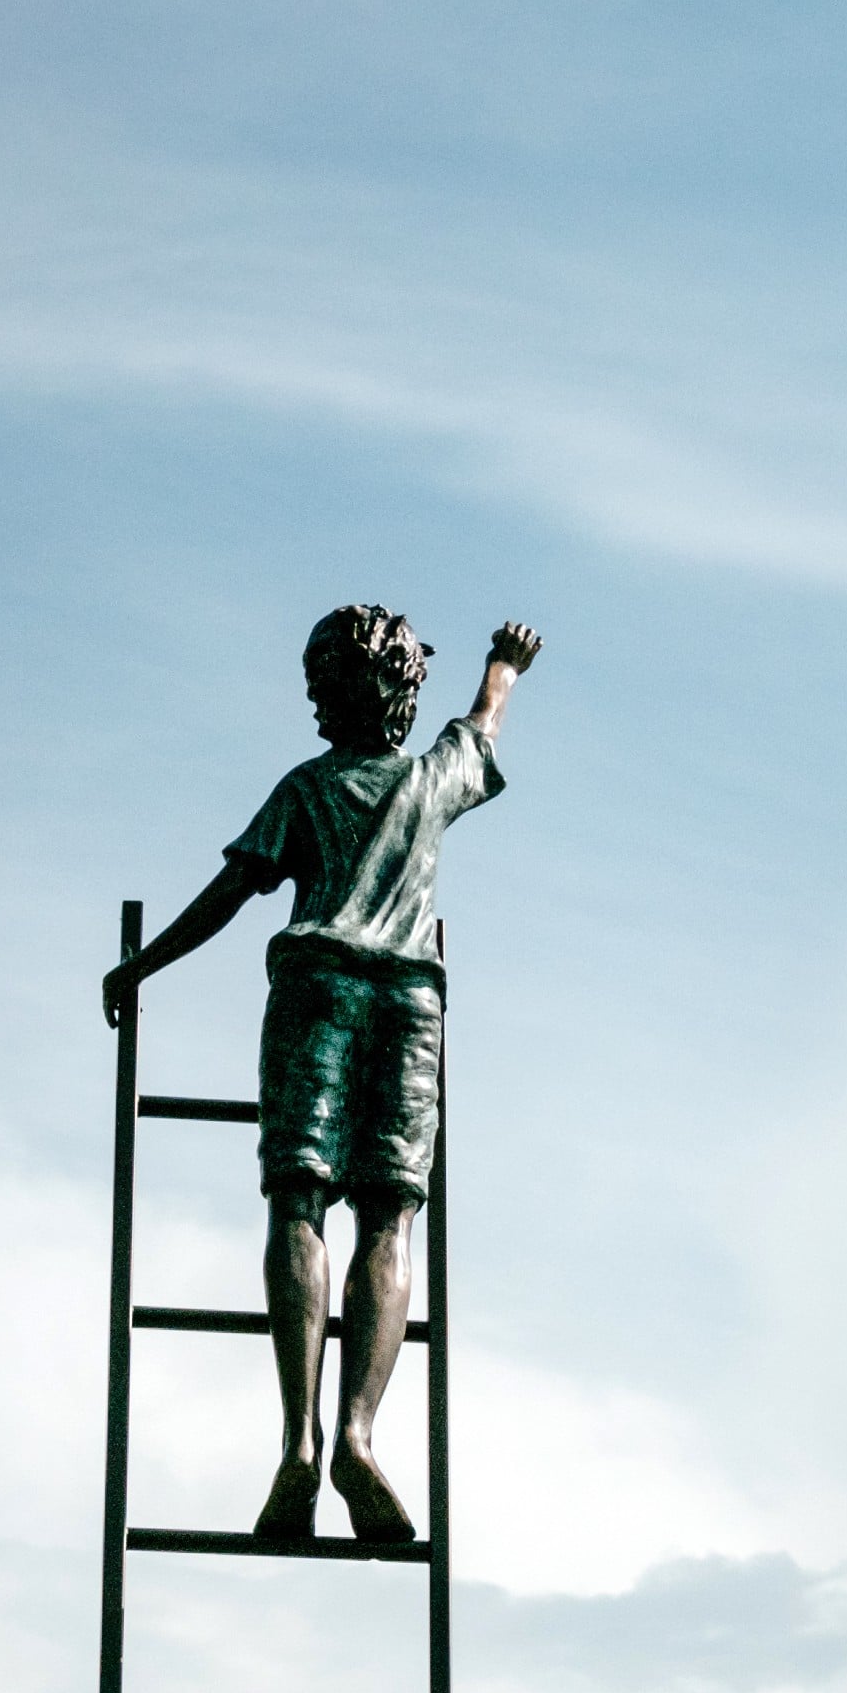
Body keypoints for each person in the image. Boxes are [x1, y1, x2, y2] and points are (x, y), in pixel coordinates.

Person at [102, 608, 542, 1541]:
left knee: (297, 1204)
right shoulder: (429, 781)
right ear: (401, 692)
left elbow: (230, 894)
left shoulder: (305, 789)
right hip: (408, 1002)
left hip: (316, 994)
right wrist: (504, 665)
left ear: (340, 690)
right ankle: (357, 1434)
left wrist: (144, 968)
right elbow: (484, 725)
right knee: (390, 1216)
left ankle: (300, 1441)